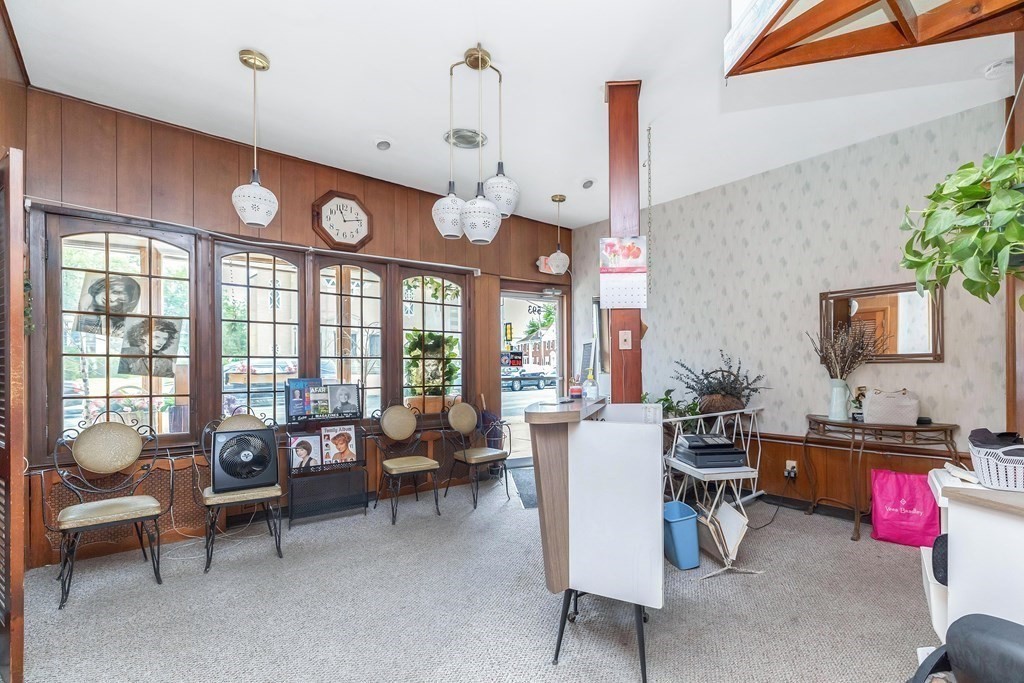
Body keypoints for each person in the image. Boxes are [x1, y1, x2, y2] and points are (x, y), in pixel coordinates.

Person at [76, 275, 142, 336]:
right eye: (115, 292)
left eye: (119, 301)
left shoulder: (112, 322)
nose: (112, 299)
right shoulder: (86, 300)